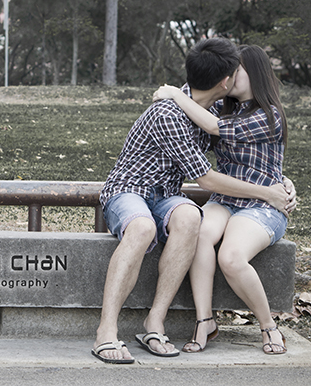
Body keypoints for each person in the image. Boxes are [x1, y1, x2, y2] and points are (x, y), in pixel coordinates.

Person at [91, 38, 294, 364]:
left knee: (190, 218)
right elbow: (207, 179)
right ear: (225, 81)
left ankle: (154, 323)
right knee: (142, 228)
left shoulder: (212, 107)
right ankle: (106, 332)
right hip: (129, 190)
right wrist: (267, 191)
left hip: (166, 196)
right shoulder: (169, 113)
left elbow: (247, 148)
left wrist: (280, 181)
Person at [153, 45, 291, 355]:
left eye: (236, 70)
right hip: (225, 200)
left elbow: (214, 127)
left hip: (263, 204)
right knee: (200, 235)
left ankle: (268, 325)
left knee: (230, 257)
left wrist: (176, 94)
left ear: (254, 73)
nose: (228, 77)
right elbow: (202, 98)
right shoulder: (223, 106)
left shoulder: (269, 116)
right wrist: (180, 93)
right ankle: (205, 320)